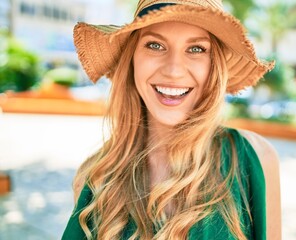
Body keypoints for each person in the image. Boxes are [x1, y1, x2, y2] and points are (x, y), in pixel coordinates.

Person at [62, 0, 281, 239]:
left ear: (213, 65)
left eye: (196, 49)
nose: (174, 70)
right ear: (132, 58)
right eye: (155, 45)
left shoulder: (256, 159)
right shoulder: (95, 177)